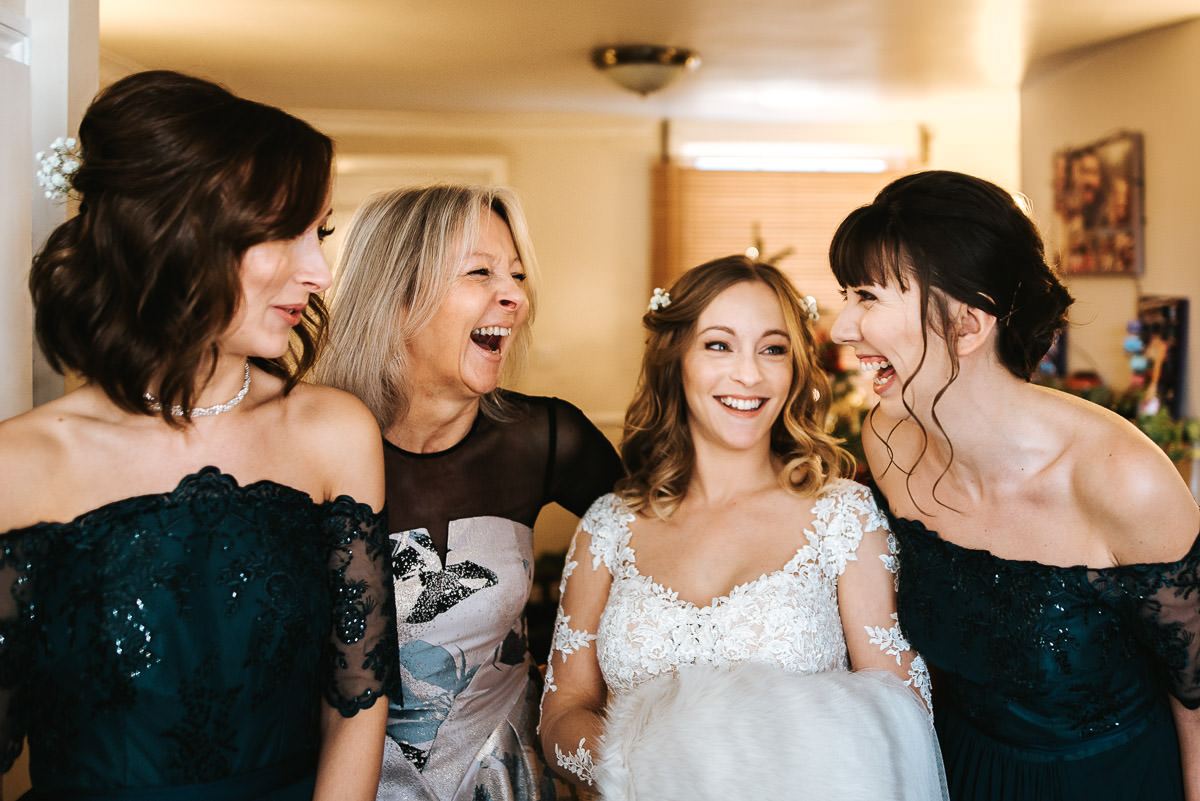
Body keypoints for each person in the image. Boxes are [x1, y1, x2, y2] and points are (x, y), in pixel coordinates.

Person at [0, 71, 395, 800]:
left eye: (322, 232)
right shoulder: (18, 464)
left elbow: (357, 704)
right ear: (177, 237)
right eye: (285, 233)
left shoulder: (333, 434)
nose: (320, 271)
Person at [829, 169, 1200, 801]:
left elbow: (1197, 698)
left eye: (866, 297)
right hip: (958, 769)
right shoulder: (889, 442)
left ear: (968, 327)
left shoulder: (1122, 481)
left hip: (1107, 782)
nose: (841, 327)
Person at [539, 255, 946, 800]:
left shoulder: (843, 518)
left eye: (773, 349)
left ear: (796, 367)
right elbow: (561, 714)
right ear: (675, 358)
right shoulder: (608, 527)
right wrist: (648, 771)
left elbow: (901, 715)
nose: (749, 374)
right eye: (718, 344)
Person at [316, 184, 623, 801]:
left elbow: (661, 562)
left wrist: (579, 693)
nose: (512, 296)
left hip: (505, 782)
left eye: (516, 274)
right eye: (479, 272)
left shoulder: (546, 437)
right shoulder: (308, 445)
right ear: (396, 297)